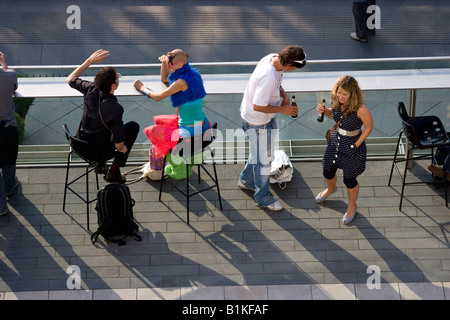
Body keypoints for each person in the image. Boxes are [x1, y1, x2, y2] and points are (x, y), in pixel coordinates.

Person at [238, 45, 306, 212]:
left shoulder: (273, 57)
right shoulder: (267, 77)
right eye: (295, 68)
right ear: (289, 64)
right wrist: (283, 109)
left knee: (259, 155)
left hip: (257, 120)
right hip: (258, 123)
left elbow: (277, 83)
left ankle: (246, 182)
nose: (294, 70)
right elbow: (258, 106)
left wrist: (283, 95)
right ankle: (262, 198)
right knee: (263, 162)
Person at [133, 49, 210, 180]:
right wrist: (164, 63)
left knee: (153, 131)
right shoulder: (193, 75)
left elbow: (157, 97)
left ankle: (176, 169)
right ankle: (185, 159)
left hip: (189, 131)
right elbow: (165, 79)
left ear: (179, 65)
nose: (169, 67)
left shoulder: (181, 82)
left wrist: (141, 88)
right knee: (160, 121)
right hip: (202, 125)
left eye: (170, 64)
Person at [66, 49, 140, 184]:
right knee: (133, 127)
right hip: (96, 150)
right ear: (114, 86)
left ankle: (101, 165)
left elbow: (70, 79)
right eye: (117, 78)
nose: (118, 78)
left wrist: (90, 61)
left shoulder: (90, 88)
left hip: (80, 143)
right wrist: (122, 148)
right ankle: (114, 172)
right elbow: (118, 144)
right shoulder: (115, 108)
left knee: (101, 130)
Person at [315, 75, 373, 224]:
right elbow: (333, 116)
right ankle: (331, 189)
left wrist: (357, 144)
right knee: (327, 171)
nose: (340, 96)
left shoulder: (361, 108)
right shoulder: (336, 100)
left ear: (353, 94)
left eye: (344, 94)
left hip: (353, 145)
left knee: (350, 180)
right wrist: (325, 110)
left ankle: (352, 206)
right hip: (335, 141)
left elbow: (369, 127)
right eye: (339, 92)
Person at [0, 52, 19, 216]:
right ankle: (8, 188)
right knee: (9, 159)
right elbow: (14, 89)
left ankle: (1, 208)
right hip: (7, 127)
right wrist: (4, 64)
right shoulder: (10, 75)